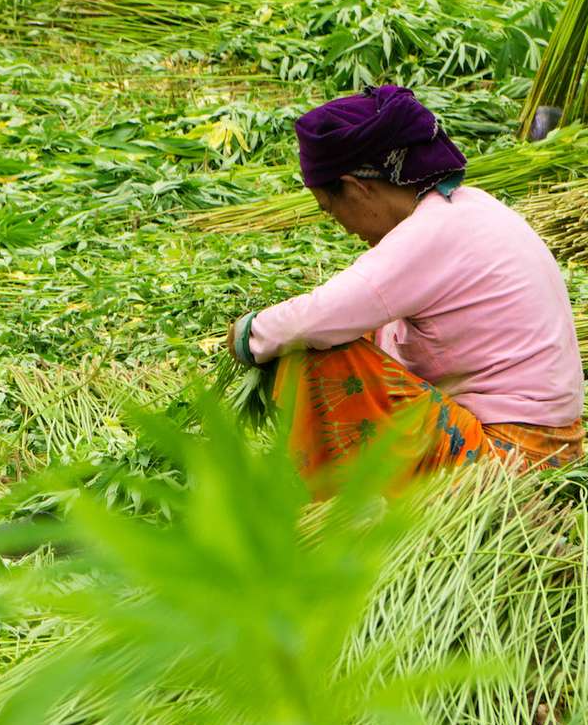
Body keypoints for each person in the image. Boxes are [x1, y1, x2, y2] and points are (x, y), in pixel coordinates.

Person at [229, 85, 583, 483]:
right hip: (554, 446)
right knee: (363, 328)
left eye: (331, 211)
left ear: (358, 187)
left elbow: (309, 323)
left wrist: (248, 333)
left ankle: (335, 501)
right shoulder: (468, 207)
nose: (342, 227)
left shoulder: (431, 233)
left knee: (316, 357)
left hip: (510, 459)